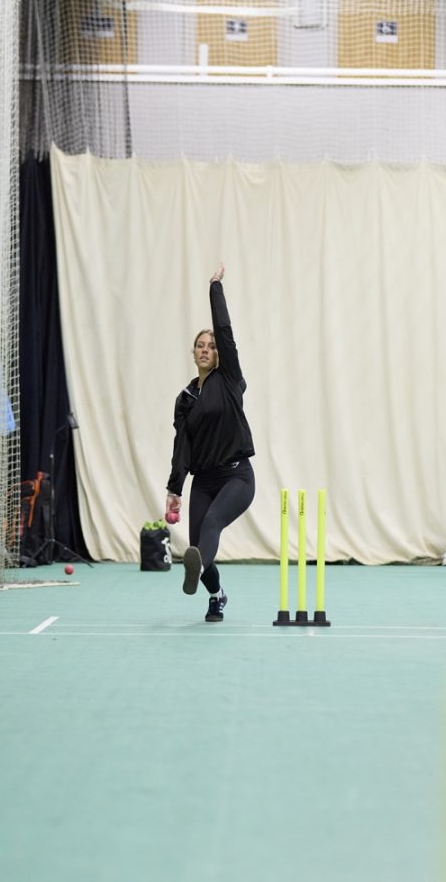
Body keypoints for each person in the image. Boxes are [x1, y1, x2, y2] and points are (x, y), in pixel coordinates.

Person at [166, 263, 256, 622]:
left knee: (211, 526)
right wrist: (175, 489)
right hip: (203, 480)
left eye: (211, 346)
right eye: (200, 346)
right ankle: (217, 595)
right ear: (193, 353)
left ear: (219, 354)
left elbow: (225, 331)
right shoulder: (186, 398)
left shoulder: (229, 379)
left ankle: (198, 566)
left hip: (237, 476)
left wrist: (215, 288)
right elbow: (182, 448)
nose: (206, 350)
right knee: (198, 549)